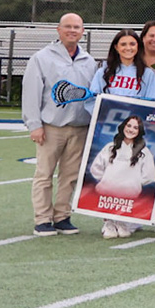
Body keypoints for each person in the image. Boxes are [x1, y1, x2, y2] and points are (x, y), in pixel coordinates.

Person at [22, 12, 99, 236]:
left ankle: (62, 216)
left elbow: (92, 95)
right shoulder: (42, 58)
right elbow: (31, 93)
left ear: (83, 31)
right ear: (58, 29)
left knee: (71, 176)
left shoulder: (89, 61)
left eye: (76, 27)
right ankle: (43, 219)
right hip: (51, 127)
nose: (72, 31)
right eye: (68, 26)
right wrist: (34, 124)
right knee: (44, 174)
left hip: (80, 127)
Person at [88, 113, 155, 234]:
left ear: (139, 131)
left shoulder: (144, 152)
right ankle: (108, 222)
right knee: (110, 228)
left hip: (130, 195)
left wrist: (133, 183)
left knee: (124, 232)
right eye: (129, 125)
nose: (131, 129)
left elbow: (150, 175)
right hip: (106, 192)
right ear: (123, 126)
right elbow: (96, 168)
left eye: (135, 127)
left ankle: (123, 222)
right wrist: (108, 180)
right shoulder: (110, 147)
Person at [92, 29, 155, 100]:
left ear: (138, 46)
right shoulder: (103, 72)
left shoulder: (147, 74)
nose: (128, 48)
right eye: (123, 44)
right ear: (116, 47)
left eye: (132, 44)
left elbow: (151, 102)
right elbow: (92, 100)